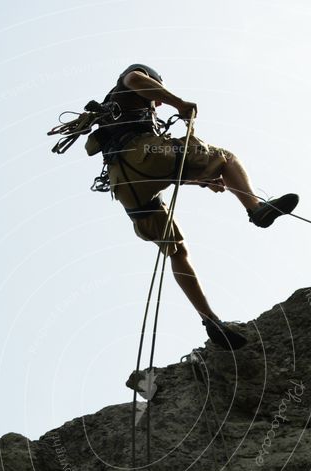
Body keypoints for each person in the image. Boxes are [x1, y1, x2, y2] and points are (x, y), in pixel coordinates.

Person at [85, 64, 299, 351]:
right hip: (145, 154)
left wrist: (199, 179)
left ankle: (210, 320)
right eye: (158, 95)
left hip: (126, 187)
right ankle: (255, 209)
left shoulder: (115, 114)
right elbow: (136, 80)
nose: (159, 103)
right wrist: (180, 103)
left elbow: (151, 170)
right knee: (225, 158)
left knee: (177, 250)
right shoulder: (130, 82)